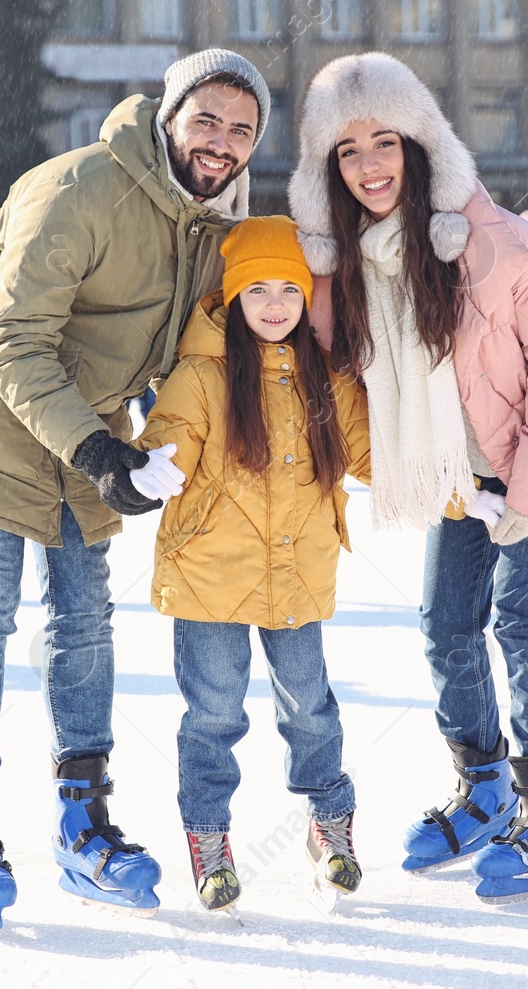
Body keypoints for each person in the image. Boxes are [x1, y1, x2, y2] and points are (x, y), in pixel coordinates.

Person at [0, 48, 269, 927]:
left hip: (84, 421)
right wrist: (104, 454)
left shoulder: (212, 223)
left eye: (242, 130)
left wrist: (161, 449)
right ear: (168, 116)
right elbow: (11, 340)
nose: (222, 142)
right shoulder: (80, 188)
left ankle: (83, 823)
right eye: (206, 119)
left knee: (86, 612)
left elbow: (189, 352)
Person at [290, 53, 528, 901]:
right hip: (459, 468)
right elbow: (339, 366)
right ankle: (482, 786)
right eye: (346, 151)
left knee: (522, 618)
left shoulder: (503, 246)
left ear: (421, 145)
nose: (369, 166)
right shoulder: (353, 265)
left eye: (384, 142)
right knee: (445, 623)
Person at [133, 216, 372, 913]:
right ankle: (210, 841)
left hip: (297, 572)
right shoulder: (202, 374)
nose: (274, 304)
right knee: (213, 714)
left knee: (312, 712)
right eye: (258, 289)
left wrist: (460, 485)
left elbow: (377, 455)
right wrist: (150, 465)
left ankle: (330, 827)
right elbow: (169, 436)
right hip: (209, 577)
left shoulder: (326, 377)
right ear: (233, 296)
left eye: (289, 290)